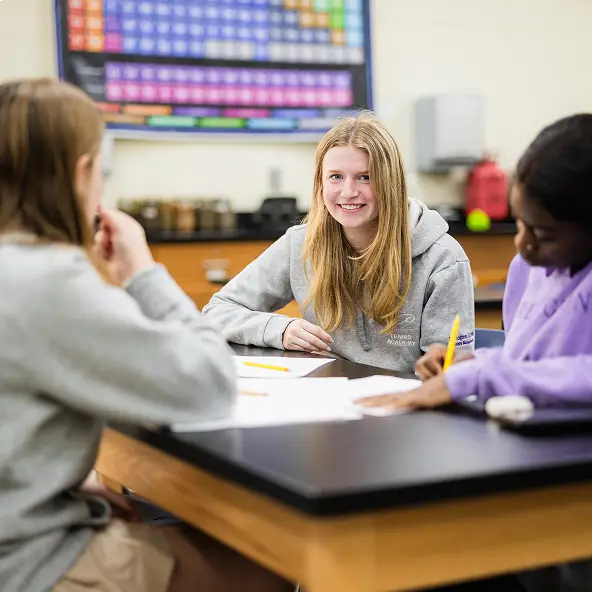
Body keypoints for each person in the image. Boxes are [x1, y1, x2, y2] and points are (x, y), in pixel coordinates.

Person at [0, 78, 292, 592]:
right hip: (28, 564)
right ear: (83, 171)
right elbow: (208, 385)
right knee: (272, 565)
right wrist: (143, 272)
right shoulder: (48, 280)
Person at [359, 113, 592, 591]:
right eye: (519, 225)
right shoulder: (531, 268)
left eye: (542, 234)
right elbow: (531, 363)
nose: (523, 247)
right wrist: (474, 364)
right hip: (528, 469)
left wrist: (476, 378)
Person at [203, 112, 475, 372]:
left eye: (365, 177)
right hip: (327, 399)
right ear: (320, 184)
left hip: (405, 408)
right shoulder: (300, 244)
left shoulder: (443, 259)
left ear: (391, 183)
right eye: (336, 177)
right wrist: (279, 330)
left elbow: (448, 374)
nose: (348, 192)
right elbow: (217, 311)